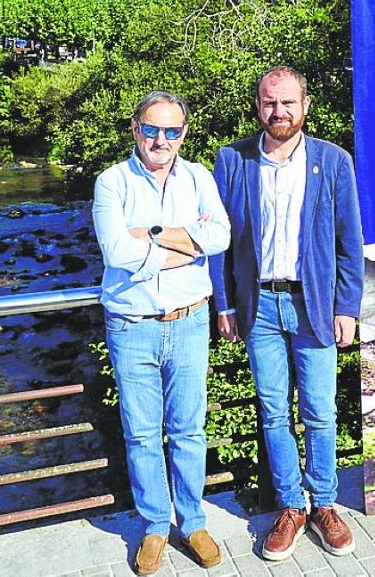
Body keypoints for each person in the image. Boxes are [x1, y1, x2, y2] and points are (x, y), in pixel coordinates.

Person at [211, 66, 364, 561]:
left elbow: (349, 243)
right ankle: (291, 506)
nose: (279, 111)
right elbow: (219, 245)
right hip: (258, 305)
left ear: (305, 106)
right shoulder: (232, 160)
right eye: (269, 102)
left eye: (288, 103)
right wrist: (225, 303)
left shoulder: (333, 161)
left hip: (313, 303)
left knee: (320, 411)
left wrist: (347, 305)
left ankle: (324, 503)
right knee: (274, 412)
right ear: (257, 105)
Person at [93, 91, 230, 573]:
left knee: (190, 430)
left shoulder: (199, 177)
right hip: (132, 325)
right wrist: (183, 243)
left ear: (184, 134)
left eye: (172, 131)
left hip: (191, 320)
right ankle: (154, 525)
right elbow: (115, 251)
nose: (161, 140)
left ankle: (192, 521)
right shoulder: (111, 182)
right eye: (151, 129)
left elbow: (221, 237)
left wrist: (148, 233)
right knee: (143, 433)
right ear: (135, 129)